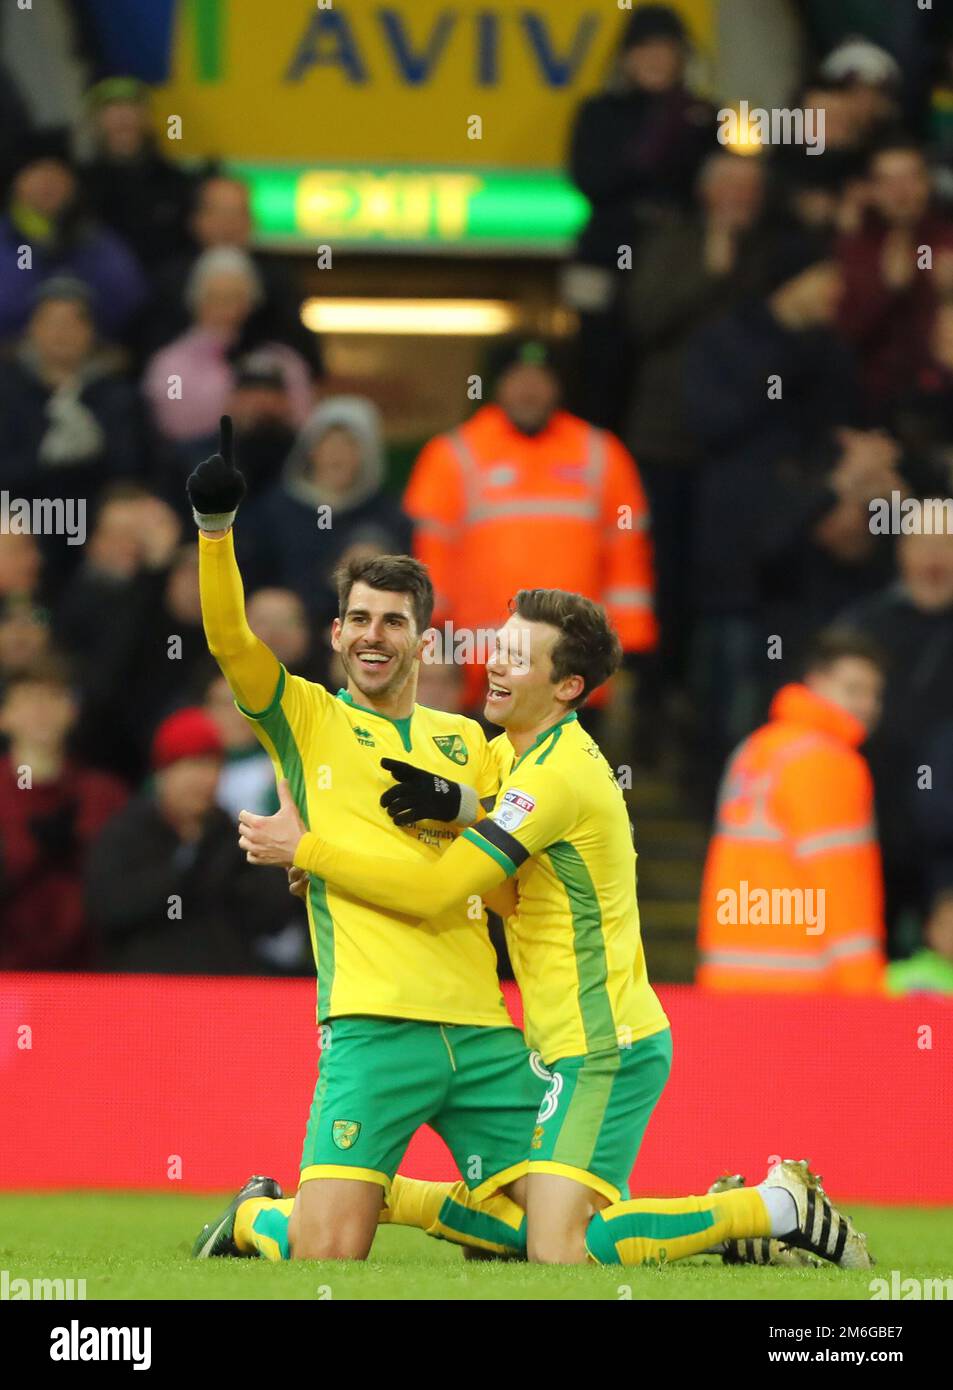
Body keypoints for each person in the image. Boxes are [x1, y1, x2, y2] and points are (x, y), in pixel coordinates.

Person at [237, 590, 872, 1270]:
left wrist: (303, 851)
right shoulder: (525, 759)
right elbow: (508, 876)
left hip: (605, 1044)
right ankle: (333, 1208)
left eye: (517, 659)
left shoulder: (553, 777)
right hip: (565, 1040)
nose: (496, 667)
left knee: (559, 1250)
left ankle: (777, 1207)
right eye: (499, 650)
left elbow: (436, 890)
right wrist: (455, 806)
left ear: (568, 686)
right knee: (530, 1234)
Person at [187, 417, 548, 1261]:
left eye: (391, 622)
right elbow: (230, 640)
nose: (372, 636)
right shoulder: (304, 717)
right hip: (371, 1025)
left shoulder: (468, 742)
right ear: (337, 634)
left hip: (483, 1027)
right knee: (329, 1260)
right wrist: (213, 532)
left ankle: (284, 1214)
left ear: (424, 638)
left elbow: (507, 877)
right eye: (357, 620)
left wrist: (314, 851)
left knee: (551, 1240)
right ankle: (255, 1218)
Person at [404, 338, 657, 717]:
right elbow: (431, 561)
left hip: (575, 671)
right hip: (482, 673)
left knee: (572, 776)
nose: (529, 389)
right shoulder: (453, 455)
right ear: (497, 385)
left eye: (541, 378)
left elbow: (627, 557)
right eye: (517, 377)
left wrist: (629, 648)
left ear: (559, 386)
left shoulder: (601, 454)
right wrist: (434, 644)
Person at [697, 629, 887, 993]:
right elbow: (840, 882)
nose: (867, 704)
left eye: (875, 694)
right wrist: (866, 991)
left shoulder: (755, 749)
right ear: (815, 682)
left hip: (729, 972)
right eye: (853, 689)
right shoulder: (829, 760)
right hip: (801, 983)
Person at [565, 4, 715, 428]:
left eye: (666, 50)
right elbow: (591, 178)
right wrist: (651, 143)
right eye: (645, 50)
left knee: (672, 392)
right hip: (609, 263)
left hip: (679, 275)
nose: (655, 60)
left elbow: (714, 190)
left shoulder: (703, 117)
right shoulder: (600, 113)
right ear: (625, 58)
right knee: (600, 384)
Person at [85, 706, 298, 973]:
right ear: (163, 773)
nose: (201, 779)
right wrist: (185, 867)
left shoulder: (234, 836)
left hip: (223, 991)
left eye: (211, 766)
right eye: (189, 765)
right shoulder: (127, 833)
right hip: (142, 989)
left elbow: (272, 917)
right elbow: (108, 908)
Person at [839, 526, 953, 947]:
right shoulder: (863, 623)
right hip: (871, 830)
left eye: (946, 545)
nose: (934, 557)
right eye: (923, 544)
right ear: (901, 551)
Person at [0, 277, 146, 583]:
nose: (61, 333)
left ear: (90, 332)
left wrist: (90, 454)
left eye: (72, 323)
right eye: (51, 322)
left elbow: (131, 468)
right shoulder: (7, 389)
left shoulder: (115, 392)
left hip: (94, 518)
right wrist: (46, 460)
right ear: (33, 329)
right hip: (23, 513)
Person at [0, 657, 127, 969]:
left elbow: (123, 890)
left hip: (87, 973)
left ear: (73, 711)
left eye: (54, 697)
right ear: (5, 716)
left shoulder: (104, 794)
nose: (41, 711)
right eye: (30, 700)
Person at [239, 396, 410, 627]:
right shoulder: (275, 508)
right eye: (329, 443)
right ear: (311, 450)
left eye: (350, 444)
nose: (337, 454)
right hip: (286, 622)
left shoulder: (384, 514)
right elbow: (250, 569)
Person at [139, 173, 323, 378]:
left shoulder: (279, 281)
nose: (228, 224)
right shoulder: (169, 280)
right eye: (219, 212)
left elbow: (306, 357)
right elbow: (150, 356)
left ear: (252, 220)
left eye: (237, 213)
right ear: (196, 220)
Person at [142, 247, 313, 464]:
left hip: (274, 470)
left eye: (236, 297)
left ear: (252, 303)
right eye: (216, 297)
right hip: (196, 471)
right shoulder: (169, 363)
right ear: (196, 301)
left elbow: (303, 422)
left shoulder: (283, 360)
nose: (227, 309)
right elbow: (173, 424)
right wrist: (233, 410)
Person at [837, 141, 953, 419]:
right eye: (888, 181)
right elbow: (842, 335)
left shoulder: (943, 238)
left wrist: (947, 297)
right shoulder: (856, 244)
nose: (901, 191)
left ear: (927, 184)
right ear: (870, 191)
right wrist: (886, 289)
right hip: (868, 397)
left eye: (911, 178)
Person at [0, 127, 147, 343]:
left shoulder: (99, 243)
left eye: (57, 173)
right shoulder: (5, 239)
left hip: (91, 364)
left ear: (74, 184)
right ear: (16, 182)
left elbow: (130, 304)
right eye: (36, 172)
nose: (47, 182)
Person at [78, 76, 196, 270]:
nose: (122, 118)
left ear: (148, 118)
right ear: (94, 123)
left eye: (131, 108)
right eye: (111, 109)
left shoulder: (176, 183)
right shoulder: (77, 186)